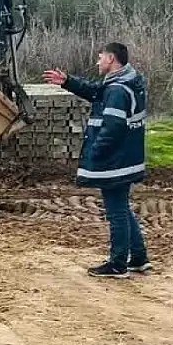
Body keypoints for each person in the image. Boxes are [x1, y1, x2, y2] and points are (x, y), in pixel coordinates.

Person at [43, 42, 151, 278]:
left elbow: (112, 127)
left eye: (100, 57)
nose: (97, 61)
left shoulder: (118, 90)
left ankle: (118, 264)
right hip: (126, 158)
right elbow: (95, 91)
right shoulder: (124, 82)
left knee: (116, 212)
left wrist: (96, 153)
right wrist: (68, 81)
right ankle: (139, 257)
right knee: (121, 207)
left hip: (115, 161)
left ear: (111, 59)